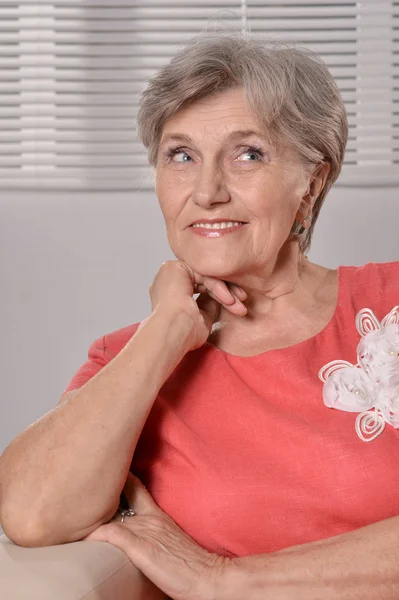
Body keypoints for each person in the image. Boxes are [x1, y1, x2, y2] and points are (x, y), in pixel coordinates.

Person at [1, 28, 399, 600]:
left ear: (310, 183)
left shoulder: (388, 300)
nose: (207, 190)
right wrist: (165, 330)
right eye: (181, 155)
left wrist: (229, 580)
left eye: (248, 154)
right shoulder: (129, 361)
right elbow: (31, 516)